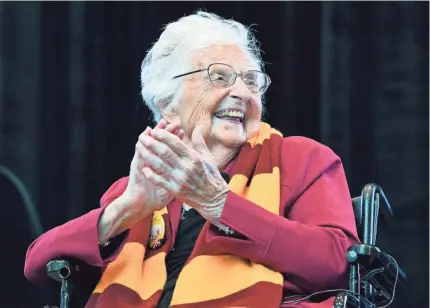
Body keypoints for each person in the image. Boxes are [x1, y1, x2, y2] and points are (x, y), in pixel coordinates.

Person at [24, 11, 360, 308]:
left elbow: (339, 264)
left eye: (251, 81)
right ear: (168, 103)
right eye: (219, 77)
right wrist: (127, 208)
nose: (242, 93)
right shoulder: (138, 188)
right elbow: (38, 264)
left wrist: (220, 204)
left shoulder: (301, 160)